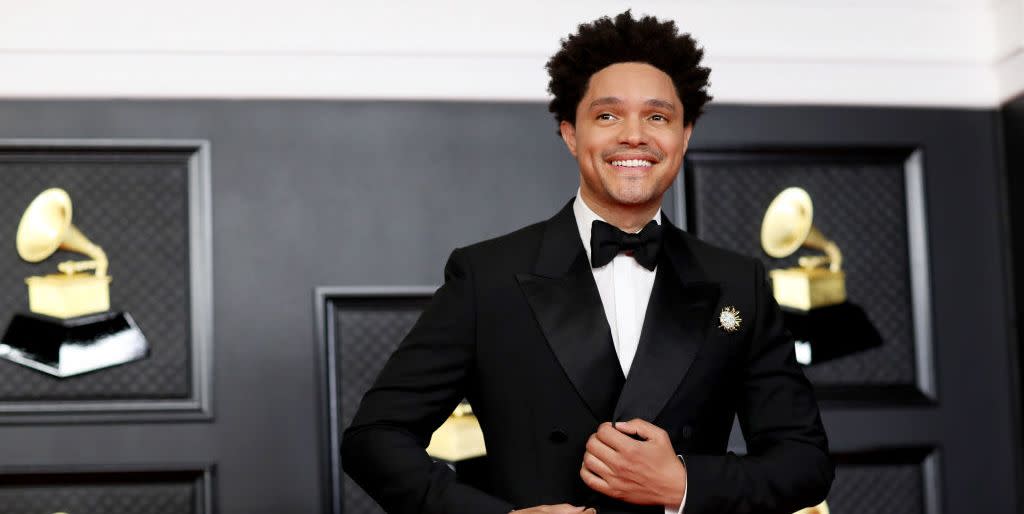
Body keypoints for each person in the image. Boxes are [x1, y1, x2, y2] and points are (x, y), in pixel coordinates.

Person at [342, 10, 833, 514]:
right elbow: (374, 438)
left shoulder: (737, 283)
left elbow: (805, 463)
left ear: (684, 136)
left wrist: (683, 483)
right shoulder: (487, 276)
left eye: (658, 117)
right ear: (570, 133)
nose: (634, 136)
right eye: (608, 115)